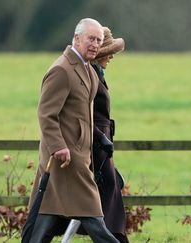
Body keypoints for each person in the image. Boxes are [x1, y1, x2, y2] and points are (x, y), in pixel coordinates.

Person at [26, 18, 119, 243]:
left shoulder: (87, 69)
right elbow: (46, 114)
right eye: (91, 39)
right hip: (66, 160)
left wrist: (98, 138)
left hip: (78, 157)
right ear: (76, 38)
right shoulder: (61, 70)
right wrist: (58, 146)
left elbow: (82, 117)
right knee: (94, 217)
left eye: (98, 40)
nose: (96, 44)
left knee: (45, 216)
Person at [90, 26, 129, 243]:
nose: (112, 56)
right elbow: (84, 115)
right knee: (108, 197)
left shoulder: (98, 74)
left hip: (103, 147)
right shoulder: (91, 76)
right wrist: (100, 137)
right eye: (110, 52)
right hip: (97, 147)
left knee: (111, 196)